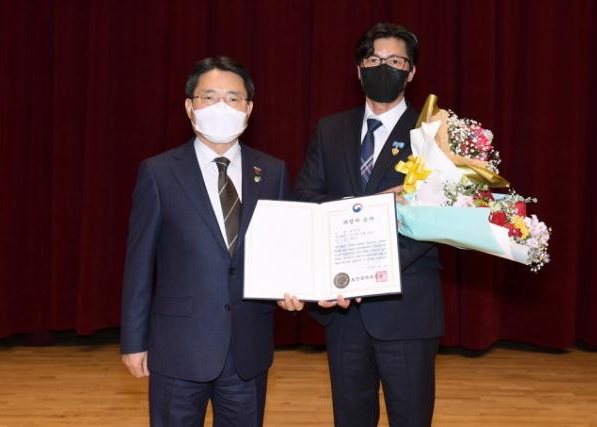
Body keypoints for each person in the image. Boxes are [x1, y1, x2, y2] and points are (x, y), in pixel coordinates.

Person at [120, 56, 294, 426]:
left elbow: (281, 249)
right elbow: (139, 264)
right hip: (178, 349)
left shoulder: (272, 171)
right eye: (209, 97)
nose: (221, 108)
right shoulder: (158, 172)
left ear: (248, 109)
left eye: (233, 99)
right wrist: (133, 340)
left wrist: (292, 287)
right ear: (190, 106)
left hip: (247, 350)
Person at [293, 23, 445, 426]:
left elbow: (434, 219)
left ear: (411, 72)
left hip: (406, 306)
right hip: (344, 309)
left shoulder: (432, 133)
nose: (384, 67)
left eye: (396, 61)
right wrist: (365, 208)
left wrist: (372, 270)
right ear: (359, 69)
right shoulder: (330, 129)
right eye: (374, 59)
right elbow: (305, 198)